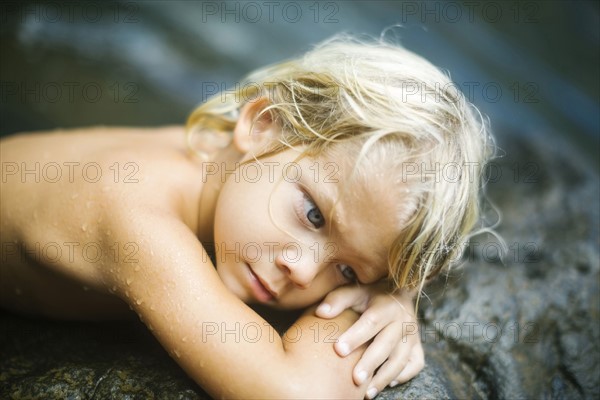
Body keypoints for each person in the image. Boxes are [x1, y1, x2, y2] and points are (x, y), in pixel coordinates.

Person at [0, 34, 493, 399]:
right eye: (313, 216)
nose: (301, 270)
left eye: (346, 271)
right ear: (262, 125)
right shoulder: (136, 221)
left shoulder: (226, 161)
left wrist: (396, 292)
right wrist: (368, 299)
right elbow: (293, 393)